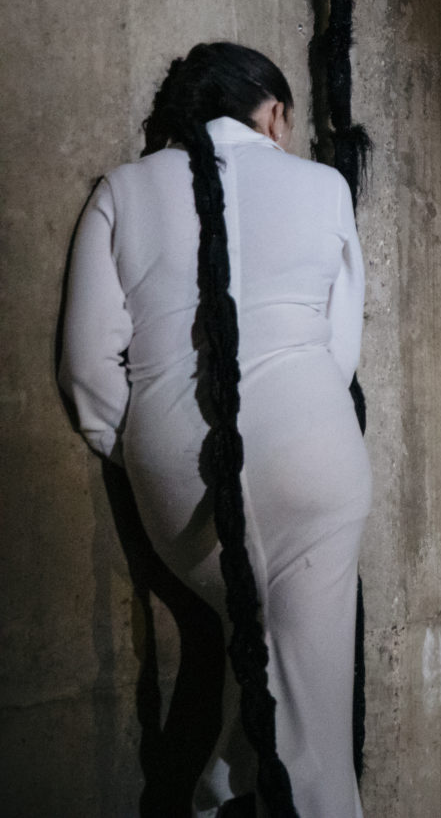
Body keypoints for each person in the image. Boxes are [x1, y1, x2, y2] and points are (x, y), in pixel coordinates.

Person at [58, 41, 369, 817]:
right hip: (314, 462)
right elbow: (340, 349)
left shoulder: (120, 191)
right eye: (287, 122)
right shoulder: (325, 186)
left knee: (261, 663)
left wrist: (142, 449)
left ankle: (221, 792)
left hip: (180, 485)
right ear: (270, 112)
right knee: (315, 727)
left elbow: (87, 369)